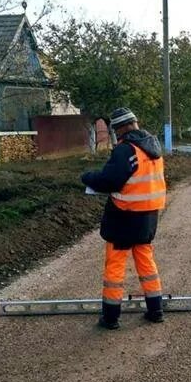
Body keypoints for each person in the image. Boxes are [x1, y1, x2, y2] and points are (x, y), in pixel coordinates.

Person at [81, 107, 166, 330]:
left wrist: (87, 177)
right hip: (147, 218)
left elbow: (110, 181)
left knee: (115, 267)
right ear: (135, 123)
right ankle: (156, 310)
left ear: (119, 129)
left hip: (123, 217)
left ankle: (110, 317)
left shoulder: (126, 150)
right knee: (146, 262)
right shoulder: (153, 147)